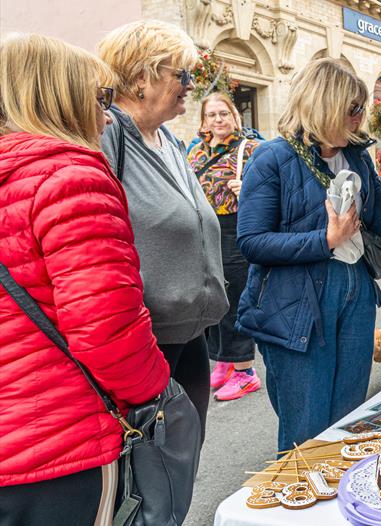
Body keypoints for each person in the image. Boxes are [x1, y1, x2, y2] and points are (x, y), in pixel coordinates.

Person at [235, 58, 381, 452]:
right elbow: (251, 241)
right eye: (353, 108)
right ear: (325, 106)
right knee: (307, 431)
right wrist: (326, 240)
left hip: (356, 293)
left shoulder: (356, 156)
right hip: (298, 304)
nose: (360, 117)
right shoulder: (272, 158)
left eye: (361, 108)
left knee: (348, 422)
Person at [0, 34, 170, 525]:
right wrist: (157, 392)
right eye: (100, 99)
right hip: (58, 445)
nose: (109, 115)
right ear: (61, 99)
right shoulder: (71, 177)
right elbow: (108, 332)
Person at [99, 20, 229, 442]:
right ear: (141, 77)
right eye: (181, 75)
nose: (191, 85)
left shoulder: (169, 139)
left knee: (182, 463)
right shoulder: (109, 135)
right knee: (150, 476)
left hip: (191, 336)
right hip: (146, 343)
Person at [187, 92, 261, 401]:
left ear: (235, 116)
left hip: (234, 228)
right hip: (204, 230)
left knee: (234, 296)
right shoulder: (195, 153)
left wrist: (249, 188)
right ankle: (224, 361)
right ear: (203, 120)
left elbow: (274, 191)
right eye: (212, 114)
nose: (218, 119)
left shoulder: (252, 149)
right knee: (212, 297)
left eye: (224, 113)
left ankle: (245, 371)